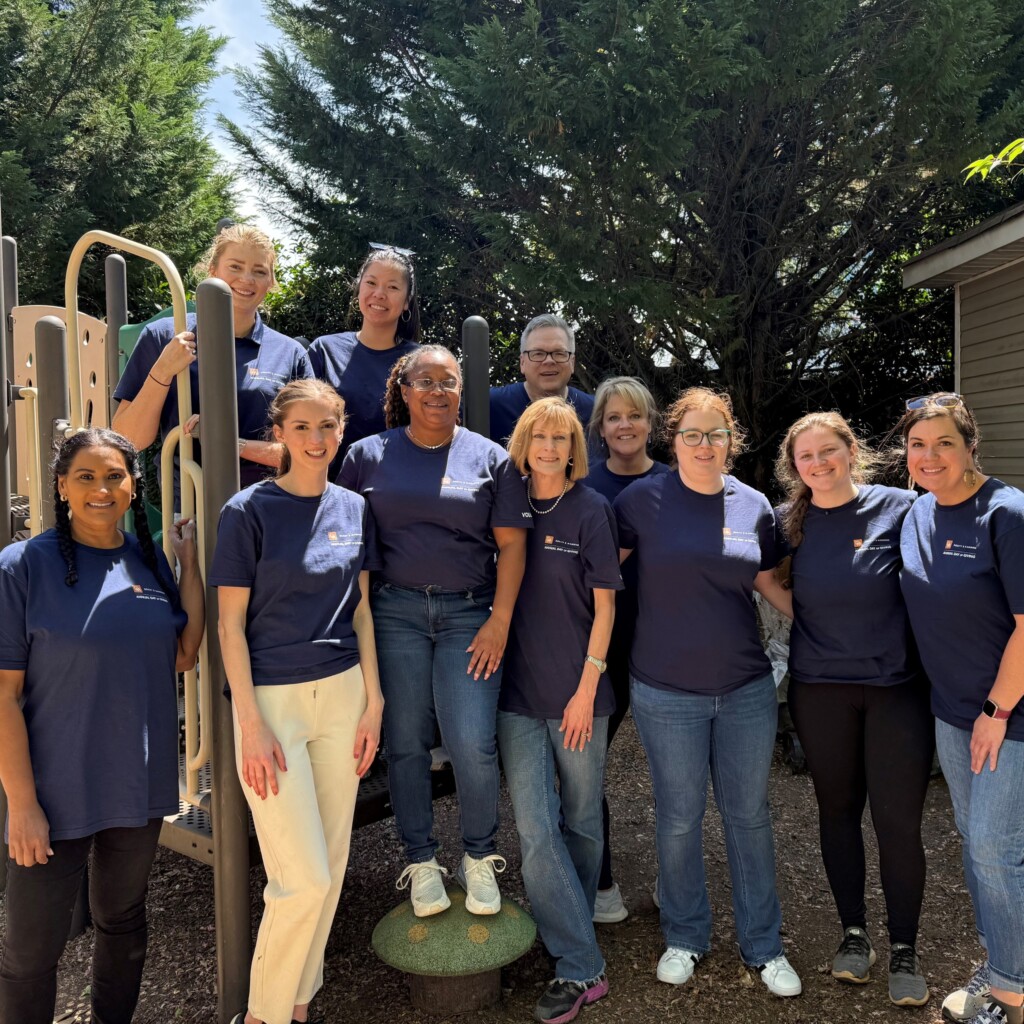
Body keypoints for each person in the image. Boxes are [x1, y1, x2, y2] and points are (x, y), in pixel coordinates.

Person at [0, 429, 203, 1024]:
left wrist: (187, 565)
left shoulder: (146, 561)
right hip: (51, 795)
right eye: (85, 476)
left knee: (121, 922)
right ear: (62, 487)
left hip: (134, 789)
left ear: (133, 485)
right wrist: (22, 804)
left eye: (113, 475)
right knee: (31, 950)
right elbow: (5, 697)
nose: (101, 488)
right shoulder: (21, 568)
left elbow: (183, 654)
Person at [613, 387, 801, 998]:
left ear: (732, 441)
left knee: (749, 818)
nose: (703, 445)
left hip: (744, 687)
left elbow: (769, 581)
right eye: (691, 434)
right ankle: (685, 936)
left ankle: (764, 946)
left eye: (715, 434)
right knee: (678, 819)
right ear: (674, 440)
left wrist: (833, 632)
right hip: (665, 690)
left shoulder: (754, 507)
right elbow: (601, 583)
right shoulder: (641, 501)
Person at [211, 379, 383, 1024]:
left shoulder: (353, 508)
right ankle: (262, 1015)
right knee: (302, 876)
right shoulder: (246, 511)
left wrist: (375, 703)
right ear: (278, 432)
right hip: (272, 706)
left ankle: (298, 1002)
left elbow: (362, 611)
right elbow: (229, 626)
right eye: (303, 427)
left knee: (331, 867)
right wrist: (248, 723)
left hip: (344, 697)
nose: (317, 440)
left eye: (329, 427)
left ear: (343, 431)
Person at [340, 345, 531, 918]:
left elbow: (513, 545)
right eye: (424, 381)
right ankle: (421, 859)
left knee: (472, 743)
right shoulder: (365, 455)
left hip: (470, 614)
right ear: (403, 389)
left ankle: (478, 855)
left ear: (460, 389)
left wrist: (500, 619)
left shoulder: (491, 458)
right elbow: (350, 545)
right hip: (394, 612)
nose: (436, 391)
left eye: (448, 381)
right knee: (404, 744)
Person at [775, 411, 932, 1006]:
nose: (818, 464)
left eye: (828, 451)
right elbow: (763, 574)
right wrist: (805, 620)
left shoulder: (901, 506)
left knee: (897, 823)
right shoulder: (789, 521)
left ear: (851, 450)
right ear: (796, 467)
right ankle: (854, 935)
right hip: (820, 690)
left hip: (896, 690)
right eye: (805, 457)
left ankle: (906, 948)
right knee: (837, 810)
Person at [898, 393, 1024, 1024]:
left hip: (1008, 719)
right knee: (981, 848)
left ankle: (1009, 995)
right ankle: (1008, 960)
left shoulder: (1006, 514)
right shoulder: (920, 513)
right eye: (918, 444)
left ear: (971, 445)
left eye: (944, 442)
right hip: (953, 712)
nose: (930, 455)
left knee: (997, 854)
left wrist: (997, 712)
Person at [499, 397, 622, 1023]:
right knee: (534, 829)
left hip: (579, 694)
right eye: (539, 436)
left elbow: (605, 609)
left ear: (576, 448)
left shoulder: (591, 510)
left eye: (561, 437)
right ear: (522, 441)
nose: (549, 447)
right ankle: (580, 960)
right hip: (517, 696)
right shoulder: (505, 501)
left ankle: (565, 935)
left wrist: (584, 689)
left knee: (580, 819)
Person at [113, 224, 313, 505]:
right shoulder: (163, 337)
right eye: (235, 266)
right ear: (213, 271)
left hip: (267, 505)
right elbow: (127, 438)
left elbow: (307, 448)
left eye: (259, 271)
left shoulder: (289, 353)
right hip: (190, 507)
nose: (247, 279)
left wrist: (227, 442)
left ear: (271, 282)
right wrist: (163, 370)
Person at [580, 376, 669, 925]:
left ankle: (675, 880)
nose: (625, 426)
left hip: (665, 644)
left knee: (675, 775)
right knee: (585, 770)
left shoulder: (679, 481)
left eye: (634, 415)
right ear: (600, 428)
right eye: (614, 417)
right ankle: (601, 882)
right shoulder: (586, 488)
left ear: (650, 423)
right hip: (602, 647)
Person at [307, 244, 421, 478]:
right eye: (371, 283)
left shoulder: (419, 362)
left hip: (398, 488)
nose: (379, 293)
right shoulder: (324, 350)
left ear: (407, 301)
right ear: (358, 288)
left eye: (392, 287)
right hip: (330, 488)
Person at [488, 314, 594, 445]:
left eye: (559, 353)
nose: (549, 361)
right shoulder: (489, 407)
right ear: (522, 363)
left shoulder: (596, 413)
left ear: (572, 362)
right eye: (538, 353)